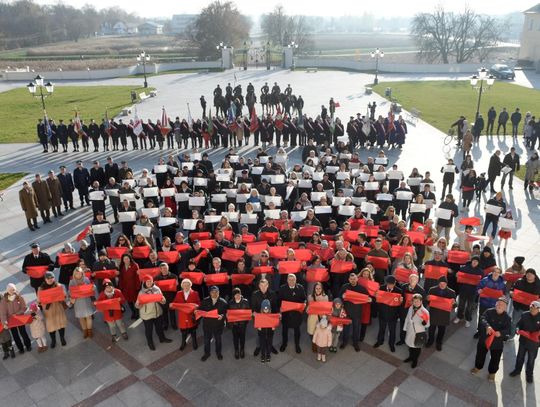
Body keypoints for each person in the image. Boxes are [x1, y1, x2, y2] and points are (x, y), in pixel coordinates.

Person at [470, 297, 511, 381]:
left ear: (506, 307)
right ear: (495, 304)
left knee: (495, 359)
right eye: (498, 304)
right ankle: (478, 367)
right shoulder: (489, 311)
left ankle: (492, 373)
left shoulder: (507, 318)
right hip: (485, 338)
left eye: (502, 305)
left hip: (497, 342)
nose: (499, 306)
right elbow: (483, 318)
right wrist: (487, 326)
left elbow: (508, 329)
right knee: (480, 354)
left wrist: (501, 333)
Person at [135, 275, 171, 350]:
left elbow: (162, 299)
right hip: (147, 315)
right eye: (147, 281)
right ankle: (150, 342)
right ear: (144, 282)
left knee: (159, 328)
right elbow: (137, 305)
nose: (149, 283)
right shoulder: (141, 292)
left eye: (150, 281)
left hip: (157, 312)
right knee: (149, 330)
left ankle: (162, 338)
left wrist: (163, 300)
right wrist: (138, 305)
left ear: (152, 281)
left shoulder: (157, 289)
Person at [509, 300, 540, 383]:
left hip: (534, 344)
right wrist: (517, 329)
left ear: (538, 309)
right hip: (523, 341)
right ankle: (517, 370)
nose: (532, 310)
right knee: (519, 357)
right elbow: (519, 324)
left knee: (531, 360)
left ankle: (529, 375)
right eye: (531, 307)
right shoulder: (524, 314)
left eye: (535, 308)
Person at [340, 272, 371, 351]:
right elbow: (339, 297)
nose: (353, 280)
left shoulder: (362, 289)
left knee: (356, 329)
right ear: (349, 280)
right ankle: (344, 342)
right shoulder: (344, 287)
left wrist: (370, 300)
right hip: (347, 312)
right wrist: (342, 296)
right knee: (346, 329)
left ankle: (355, 344)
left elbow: (369, 299)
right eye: (351, 279)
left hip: (357, 313)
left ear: (357, 279)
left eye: (354, 279)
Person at [38, 272, 67, 348]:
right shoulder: (41, 288)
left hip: (58, 307)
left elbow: (64, 295)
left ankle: (62, 338)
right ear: (45, 279)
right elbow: (39, 300)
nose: (50, 280)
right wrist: (42, 301)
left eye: (52, 278)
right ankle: (53, 340)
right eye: (48, 278)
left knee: (61, 324)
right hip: (48, 310)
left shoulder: (58, 285)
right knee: (51, 327)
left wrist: (63, 295)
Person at [0, 283, 32, 354]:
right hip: (11, 320)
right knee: (15, 335)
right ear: (7, 291)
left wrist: (17, 314)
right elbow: (3, 313)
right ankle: (20, 348)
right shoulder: (4, 301)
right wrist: (4, 322)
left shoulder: (19, 297)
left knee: (23, 333)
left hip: (19, 318)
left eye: (13, 289)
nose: (12, 291)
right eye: (10, 290)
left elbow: (24, 307)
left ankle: (28, 345)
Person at [279, 274, 307, 353]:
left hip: (296, 313)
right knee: (284, 330)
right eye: (290, 279)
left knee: (297, 331)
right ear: (287, 280)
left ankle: (297, 345)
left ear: (296, 280)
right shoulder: (282, 288)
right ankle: (284, 344)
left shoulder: (300, 288)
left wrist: (304, 304)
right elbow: (279, 300)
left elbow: (304, 299)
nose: (291, 281)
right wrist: (280, 308)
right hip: (286, 314)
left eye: (293, 280)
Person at [426, 276, 456, 351]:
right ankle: (430, 341)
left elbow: (454, 305)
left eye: (444, 283)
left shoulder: (452, 292)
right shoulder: (432, 290)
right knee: (431, 329)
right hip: (434, 313)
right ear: (438, 283)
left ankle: (439, 343)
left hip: (444, 315)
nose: (442, 285)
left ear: (446, 284)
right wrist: (427, 298)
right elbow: (428, 302)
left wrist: (454, 303)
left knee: (441, 330)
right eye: (440, 283)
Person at [199, 285, 228, 361]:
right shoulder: (205, 301)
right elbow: (200, 310)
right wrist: (197, 312)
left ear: (219, 292)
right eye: (212, 292)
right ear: (210, 293)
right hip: (207, 326)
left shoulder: (223, 302)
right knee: (206, 341)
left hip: (218, 326)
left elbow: (227, 313)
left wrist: (222, 316)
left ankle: (218, 353)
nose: (214, 293)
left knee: (218, 341)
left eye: (216, 292)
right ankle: (207, 353)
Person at [454, 256, 483, 328]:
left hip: (473, 292)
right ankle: (459, 317)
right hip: (463, 290)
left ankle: (468, 319)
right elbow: (458, 277)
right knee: (461, 305)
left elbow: (481, 283)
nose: (474, 262)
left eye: (476, 261)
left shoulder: (480, 272)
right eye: (474, 261)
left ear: (478, 263)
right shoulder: (464, 268)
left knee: (469, 307)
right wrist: (456, 275)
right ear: (471, 261)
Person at [173, 278, 201, 351]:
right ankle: (183, 343)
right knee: (183, 332)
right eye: (184, 285)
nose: (186, 286)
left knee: (193, 331)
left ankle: (194, 342)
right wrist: (173, 305)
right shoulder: (178, 293)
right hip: (182, 316)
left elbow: (198, 304)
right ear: (182, 285)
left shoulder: (195, 293)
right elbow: (175, 302)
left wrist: (196, 308)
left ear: (190, 285)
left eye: (187, 285)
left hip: (191, 316)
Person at [97, 279, 129, 343]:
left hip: (117, 312)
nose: (108, 288)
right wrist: (97, 304)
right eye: (106, 287)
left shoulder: (117, 291)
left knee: (120, 323)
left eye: (110, 286)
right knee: (111, 326)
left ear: (112, 286)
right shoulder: (102, 294)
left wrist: (120, 300)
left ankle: (124, 333)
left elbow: (123, 300)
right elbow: (99, 304)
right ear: (104, 288)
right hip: (108, 314)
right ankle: (113, 335)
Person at [403, 293, 430, 368]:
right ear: (412, 302)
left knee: (417, 348)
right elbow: (407, 319)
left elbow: (428, 325)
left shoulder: (425, 312)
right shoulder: (411, 308)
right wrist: (405, 328)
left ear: (421, 301)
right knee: (410, 346)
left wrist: (424, 323)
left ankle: (415, 360)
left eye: (418, 301)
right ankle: (410, 357)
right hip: (410, 331)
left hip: (418, 333)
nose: (416, 303)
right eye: (414, 301)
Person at [68, 267, 96, 339]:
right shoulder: (72, 282)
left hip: (86, 300)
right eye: (77, 273)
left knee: (89, 316)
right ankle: (85, 331)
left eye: (80, 272)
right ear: (74, 273)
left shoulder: (86, 279)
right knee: (81, 317)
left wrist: (93, 287)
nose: (78, 274)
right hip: (78, 302)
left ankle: (89, 330)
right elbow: (69, 292)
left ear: (82, 273)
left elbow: (91, 287)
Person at [228, 287, 250, 359]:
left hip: (243, 324)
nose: (237, 296)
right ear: (233, 295)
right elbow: (229, 313)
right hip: (234, 325)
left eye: (238, 294)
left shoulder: (245, 302)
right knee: (235, 338)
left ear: (240, 294)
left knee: (242, 338)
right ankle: (236, 350)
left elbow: (248, 312)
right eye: (235, 294)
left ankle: (242, 350)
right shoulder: (230, 302)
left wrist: (246, 322)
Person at [258, 299, 275, 363]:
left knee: (269, 345)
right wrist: (258, 327)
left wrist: (273, 326)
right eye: (264, 309)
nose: (266, 310)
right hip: (262, 334)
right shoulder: (260, 316)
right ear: (262, 309)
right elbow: (258, 323)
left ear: (269, 309)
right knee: (262, 345)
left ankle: (268, 355)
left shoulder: (272, 316)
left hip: (270, 334)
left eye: (267, 309)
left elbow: (274, 323)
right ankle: (262, 356)